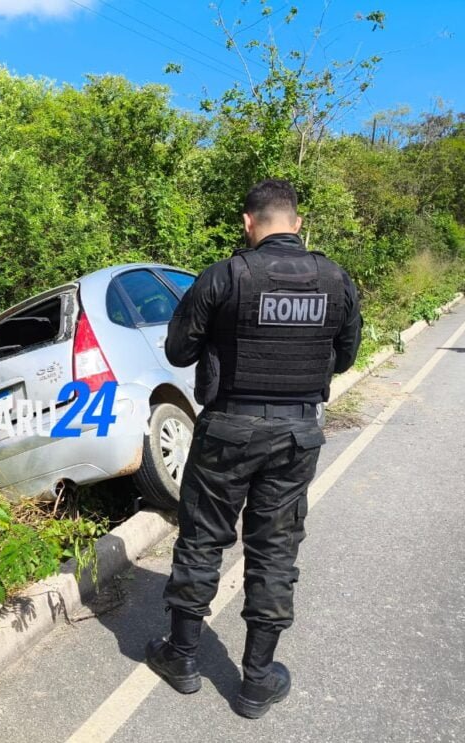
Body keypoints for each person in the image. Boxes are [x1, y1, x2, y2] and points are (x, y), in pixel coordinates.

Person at [145, 179, 363, 719]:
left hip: (227, 431)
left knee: (201, 540)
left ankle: (184, 659)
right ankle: (257, 681)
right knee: (274, 549)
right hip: (296, 436)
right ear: (298, 221)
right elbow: (346, 355)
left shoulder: (224, 276)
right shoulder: (336, 279)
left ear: (249, 222)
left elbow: (178, 349)